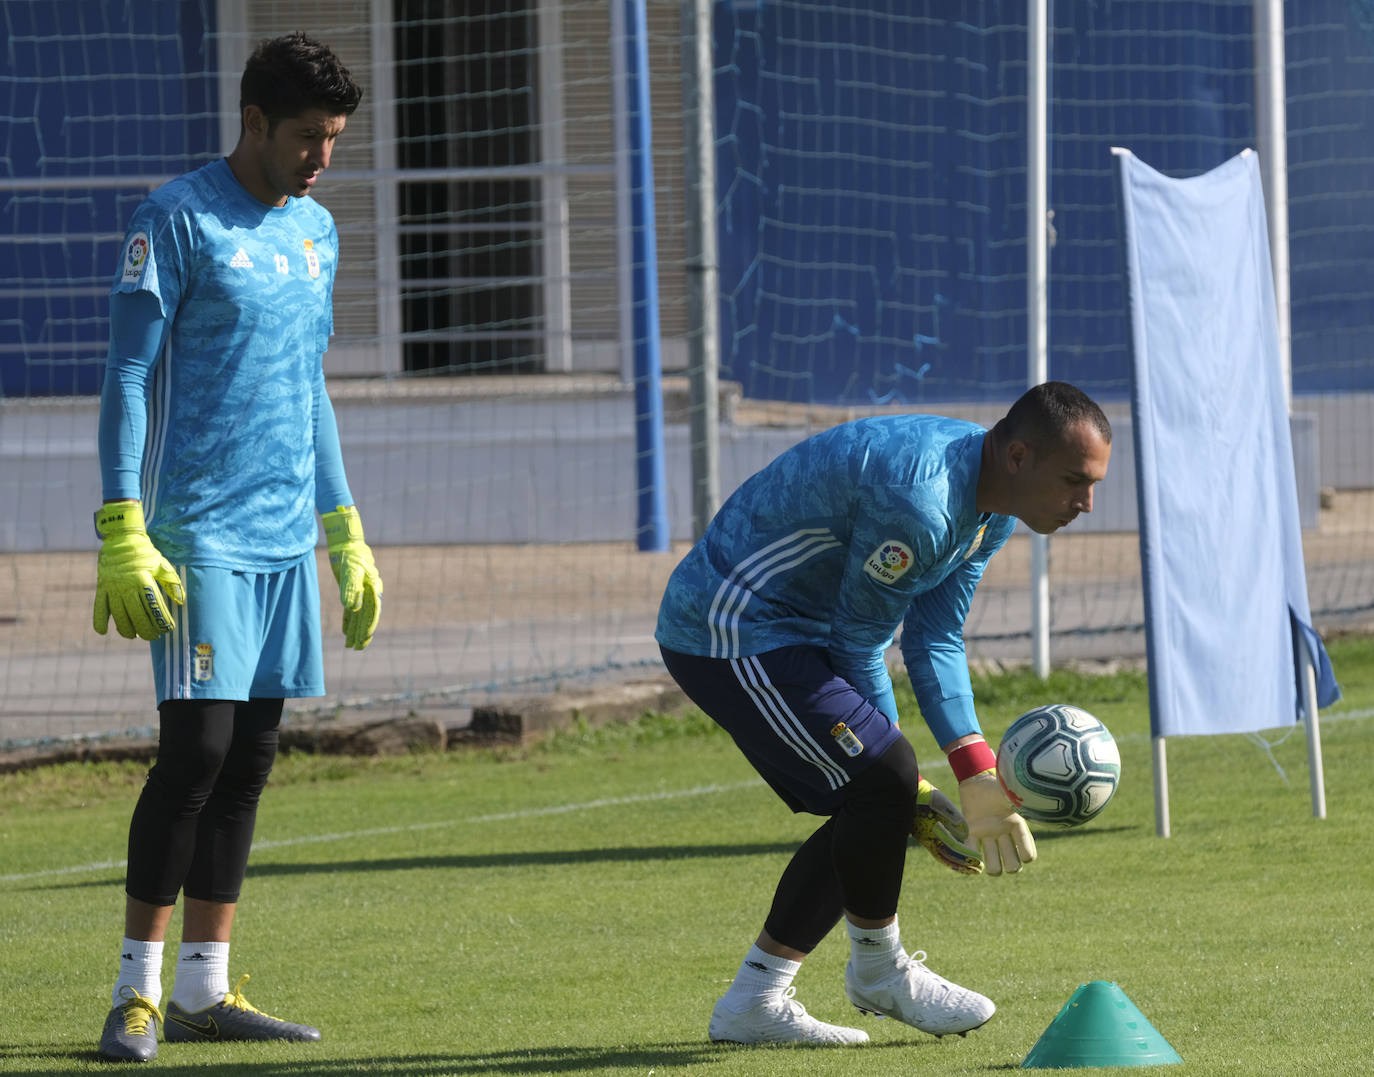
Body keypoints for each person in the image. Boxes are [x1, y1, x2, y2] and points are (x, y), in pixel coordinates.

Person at [656, 380, 1112, 1046]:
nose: (1086, 502)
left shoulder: (993, 510)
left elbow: (934, 637)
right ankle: (878, 969)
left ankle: (755, 1000)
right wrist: (911, 780)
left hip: (796, 627)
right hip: (731, 624)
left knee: (876, 794)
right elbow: (862, 642)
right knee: (884, 780)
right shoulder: (921, 506)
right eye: (1075, 479)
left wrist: (974, 767)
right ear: (1019, 457)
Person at [92, 33, 381, 1063]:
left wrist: (343, 529)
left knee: (253, 758)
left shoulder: (316, 232)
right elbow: (128, 375)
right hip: (196, 534)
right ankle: (135, 992)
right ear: (254, 120)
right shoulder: (175, 218)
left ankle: (207, 992)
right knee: (197, 753)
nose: (322, 159)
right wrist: (121, 522)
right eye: (308, 137)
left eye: (335, 140)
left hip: (283, 538)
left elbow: (307, 386)